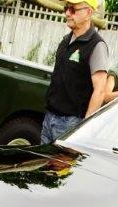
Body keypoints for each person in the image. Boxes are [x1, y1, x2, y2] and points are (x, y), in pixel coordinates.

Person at [40, 0, 109, 144]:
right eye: (66, 8)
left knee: (61, 161)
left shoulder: (96, 46)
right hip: (49, 118)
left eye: (72, 9)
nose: (67, 13)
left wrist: (84, 128)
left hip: (70, 123)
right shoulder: (66, 41)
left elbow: (100, 90)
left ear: (88, 13)